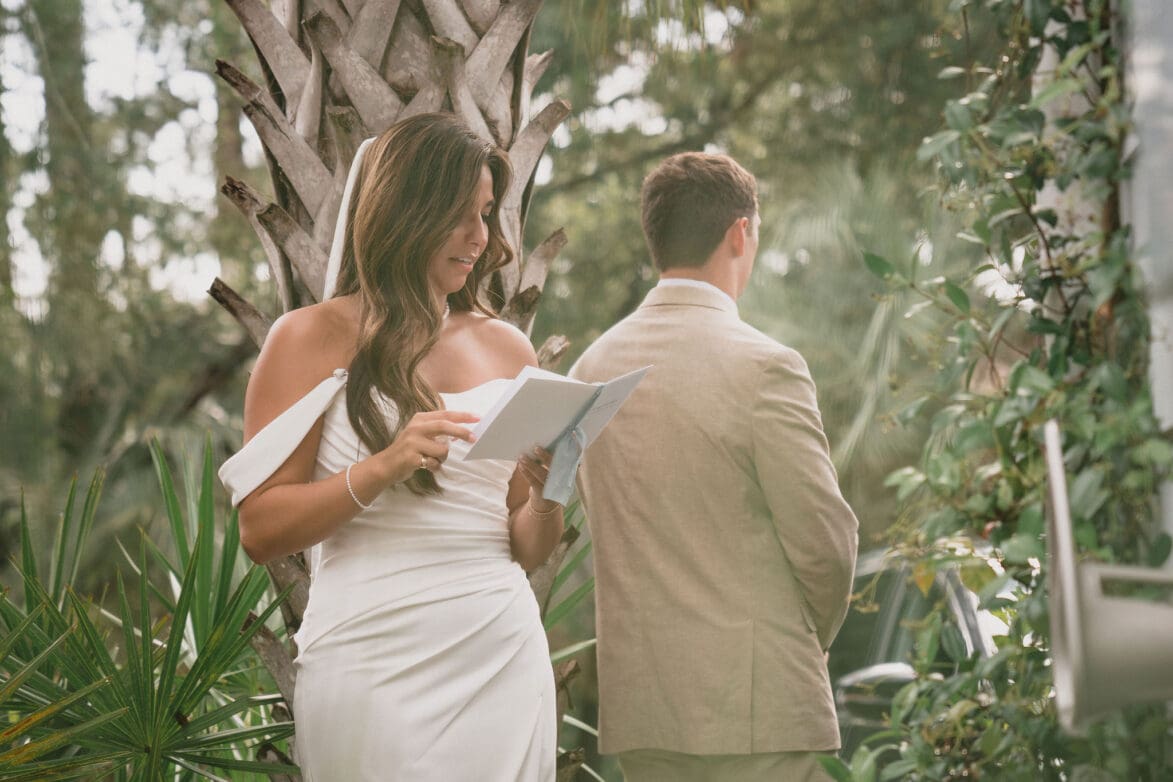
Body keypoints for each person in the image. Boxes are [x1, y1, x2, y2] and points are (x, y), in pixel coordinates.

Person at [218, 113, 562, 780]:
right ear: (405, 213)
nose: (478, 238)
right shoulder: (305, 337)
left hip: (498, 651)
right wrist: (380, 469)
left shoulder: (506, 348)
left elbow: (526, 546)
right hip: (368, 657)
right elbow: (260, 530)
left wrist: (549, 491)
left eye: (486, 214)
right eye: (459, 215)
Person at [569, 151, 859, 781]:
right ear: (739, 233)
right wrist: (800, 643)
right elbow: (825, 547)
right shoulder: (765, 366)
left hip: (644, 711)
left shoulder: (589, 371)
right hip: (759, 713)